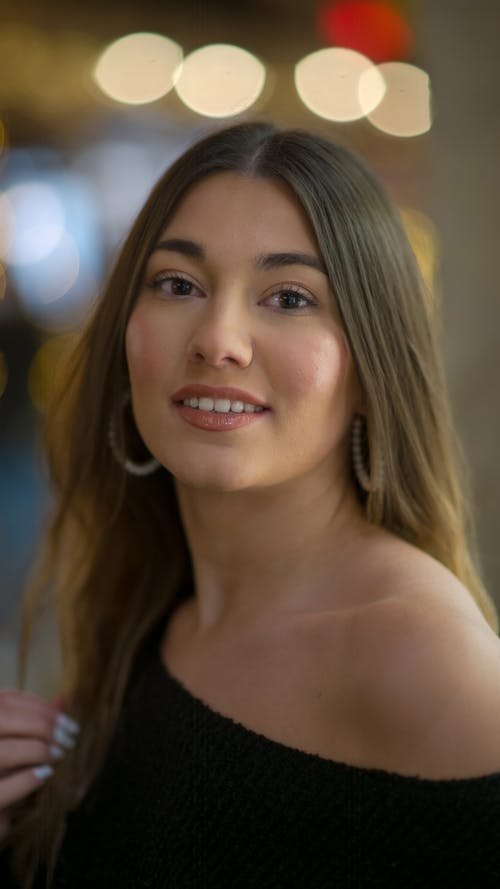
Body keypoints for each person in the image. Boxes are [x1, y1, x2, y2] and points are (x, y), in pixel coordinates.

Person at [1, 120, 500, 888]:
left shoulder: (418, 652)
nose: (219, 339)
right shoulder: (152, 602)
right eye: (178, 284)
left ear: (371, 367)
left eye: (290, 297)